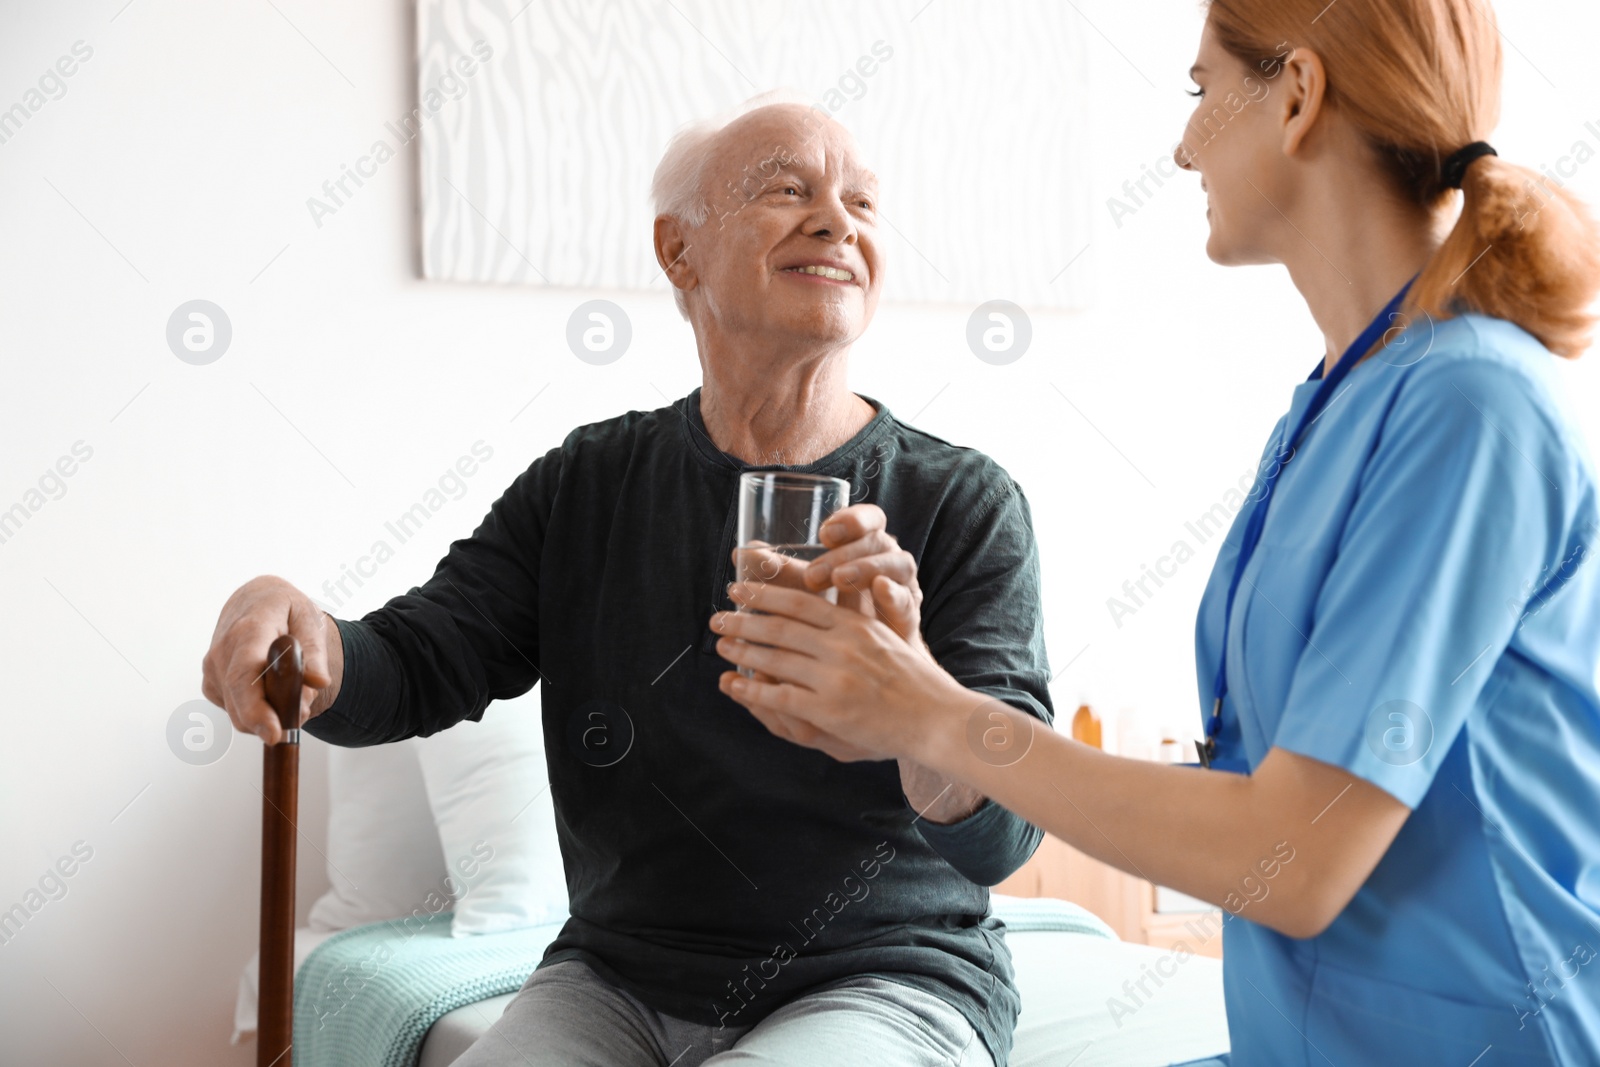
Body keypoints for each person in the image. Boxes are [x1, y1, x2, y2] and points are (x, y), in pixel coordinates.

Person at [710, 2, 1600, 1064]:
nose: (1182, 147)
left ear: (1299, 95)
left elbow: (1293, 853)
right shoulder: (1329, 405)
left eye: (1199, 92)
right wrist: (905, 713)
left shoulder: (1470, 407)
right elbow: (1256, 794)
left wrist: (934, 710)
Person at [201, 95, 1051, 1067]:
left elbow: (1004, 836)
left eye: (861, 201)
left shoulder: (963, 500)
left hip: (889, 975)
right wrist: (300, 625)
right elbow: (417, 660)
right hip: (618, 975)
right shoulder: (587, 484)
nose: (837, 221)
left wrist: (916, 706)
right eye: (788, 188)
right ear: (678, 251)